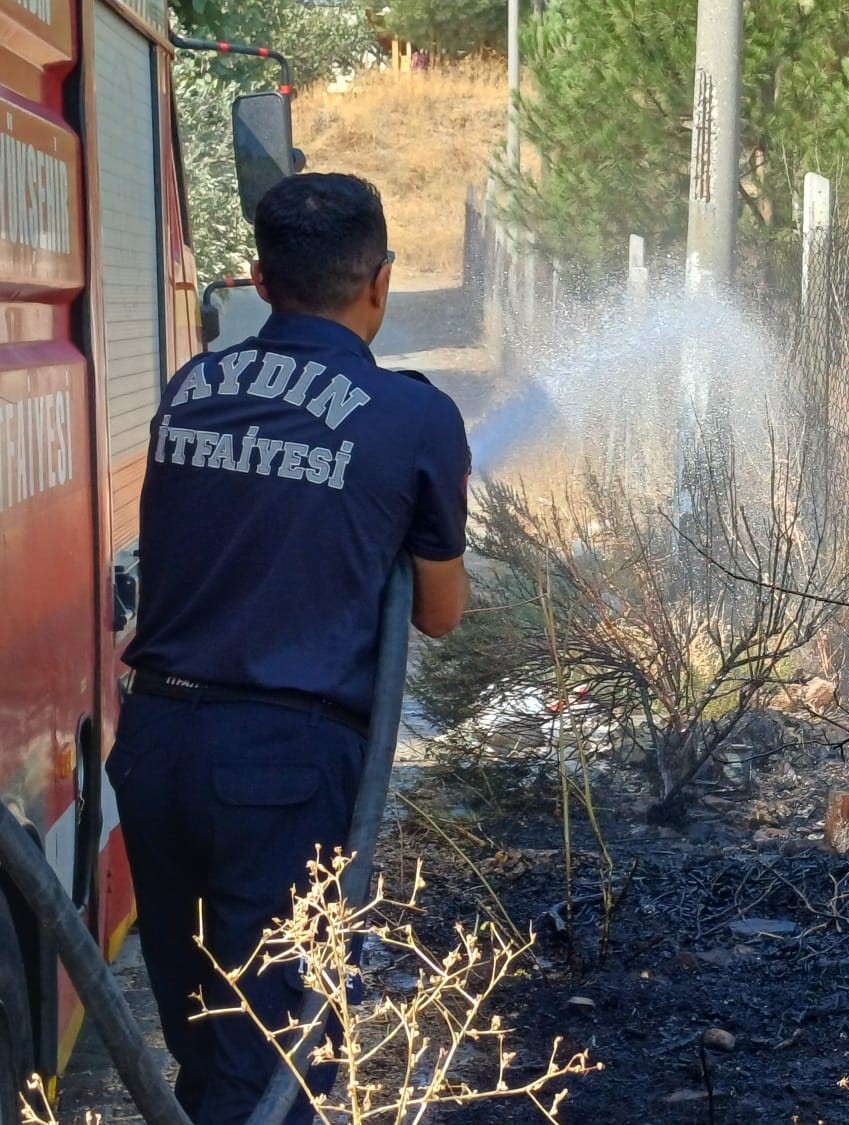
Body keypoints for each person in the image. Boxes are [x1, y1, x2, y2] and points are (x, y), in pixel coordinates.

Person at [110, 172, 472, 1124]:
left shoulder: (193, 388)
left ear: (261, 283)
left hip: (154, 751)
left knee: (201, 1048)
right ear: (381, 282)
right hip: (280, 770)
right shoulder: (415, 417)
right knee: (275, 1065)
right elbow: (439, 611)